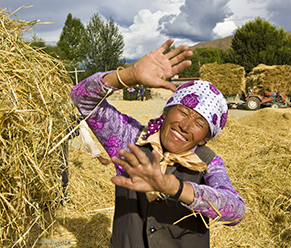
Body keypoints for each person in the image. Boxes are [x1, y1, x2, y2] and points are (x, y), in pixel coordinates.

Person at [71, 39, 246, 248]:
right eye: (183, 111)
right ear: (165, 111)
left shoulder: (208, 162)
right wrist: (128, 76)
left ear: (205, 138)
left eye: (199, 123)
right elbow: (81, 98)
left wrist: (176, 187)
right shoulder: (130, 140)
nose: (185, 125)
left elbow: (235, 211)